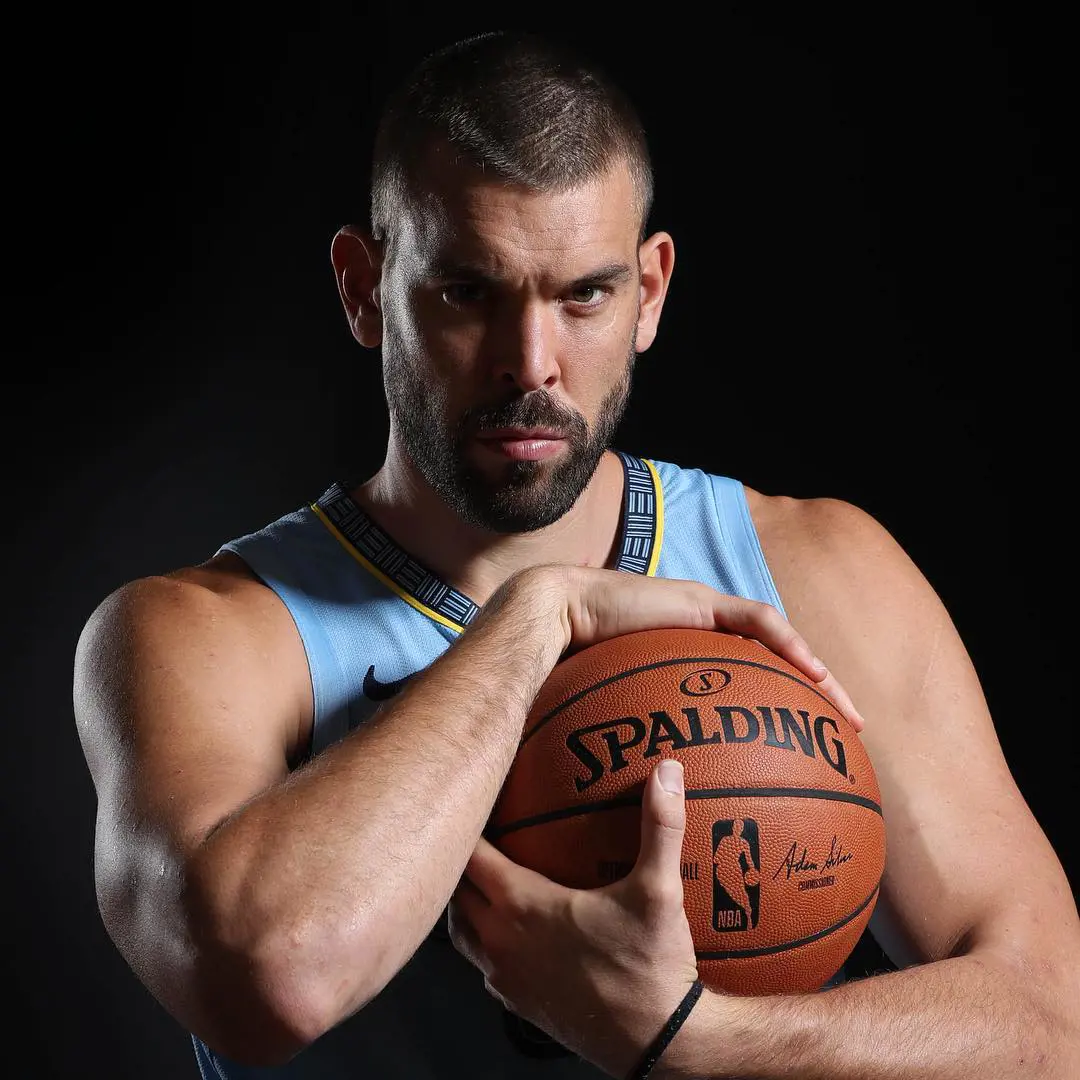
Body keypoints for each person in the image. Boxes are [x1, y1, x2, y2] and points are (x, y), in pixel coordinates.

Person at [72, 29, 1079, 1080]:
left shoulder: (820, 572)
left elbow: (1050, 1024)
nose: (530, 364)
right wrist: (534, 620)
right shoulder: (203, 635)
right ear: (364, 289)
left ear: (651, 292)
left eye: (583, 294)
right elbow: (265, 981)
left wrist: (696, 1042)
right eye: (469, 292)